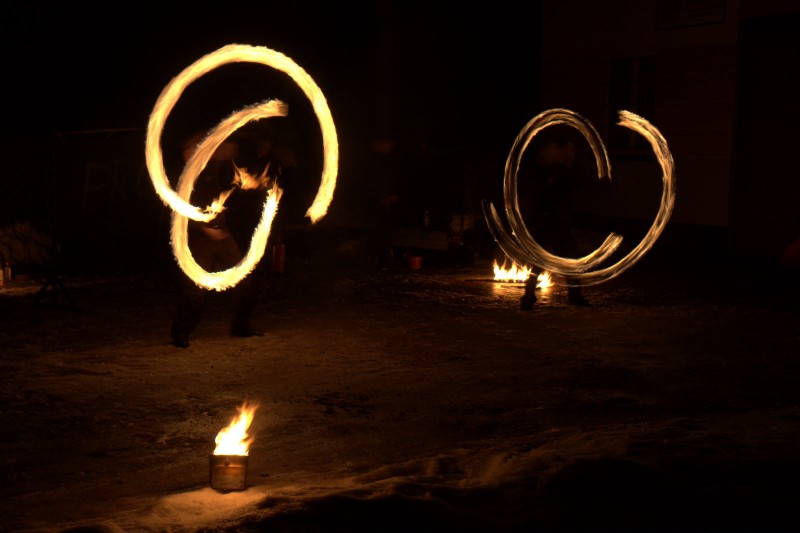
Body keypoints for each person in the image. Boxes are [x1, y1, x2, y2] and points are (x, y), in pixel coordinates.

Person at [169, 130, 278, 348]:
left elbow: (239, 181)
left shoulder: (218, 168)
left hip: (222, 233)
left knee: (245, 281)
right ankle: (180, 333)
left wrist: (259, 181)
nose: (229, 149)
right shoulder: (180, 176)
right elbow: (175, 208)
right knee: (195, 292)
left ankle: (240, 327)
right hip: (195, 239)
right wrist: (202, 227)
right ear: (189, 151)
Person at [518, 132, 590, 310]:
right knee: (553, 259)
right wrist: (560, 214)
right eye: (569, 150)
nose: (572, 154)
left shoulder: (563, 171)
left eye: (573, 151)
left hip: (554, 222)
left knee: (566, 258)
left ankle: (530, 297)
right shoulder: (552, 172)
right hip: (548, 222)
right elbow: (548, 197)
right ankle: (530, 297)